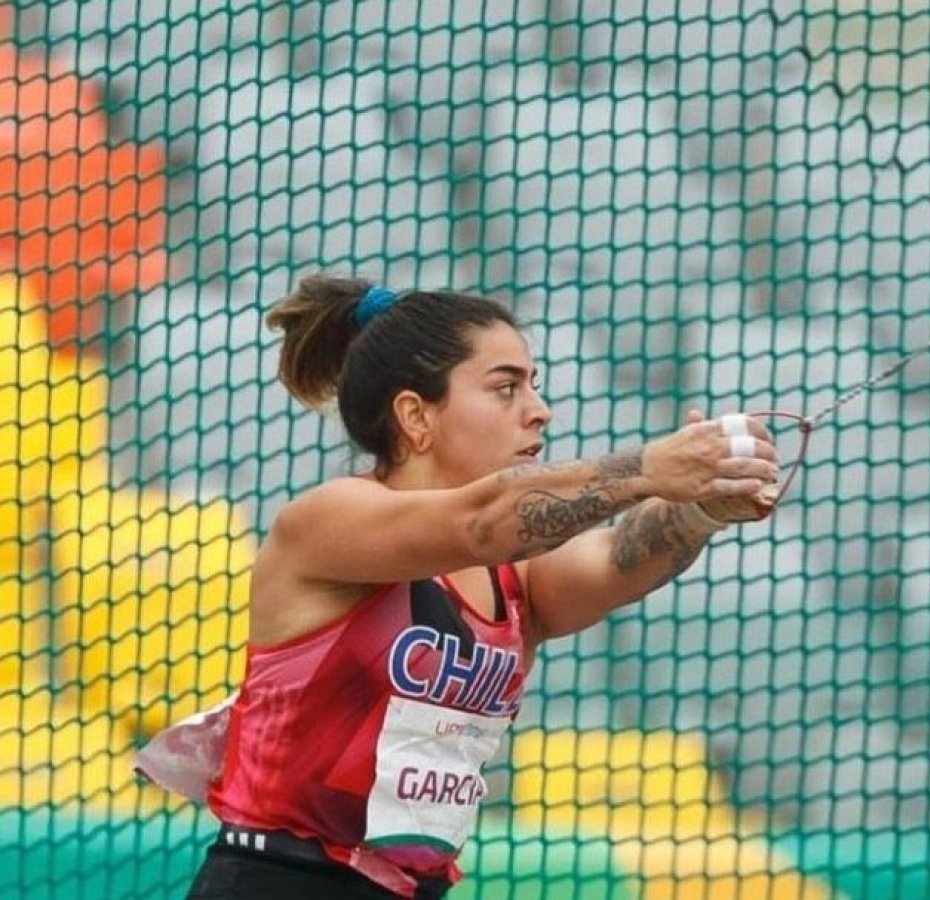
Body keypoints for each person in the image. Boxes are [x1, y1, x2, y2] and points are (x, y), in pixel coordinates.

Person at [135, 274, 782, 899]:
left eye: (534, 385)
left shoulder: (512, 578)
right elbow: (483, 521)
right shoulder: (327, 521)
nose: (540, 410)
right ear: (416, 416)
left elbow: (616, 558)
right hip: (279, 881)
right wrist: (649, 468)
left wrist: (702, 507)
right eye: (505, 388)